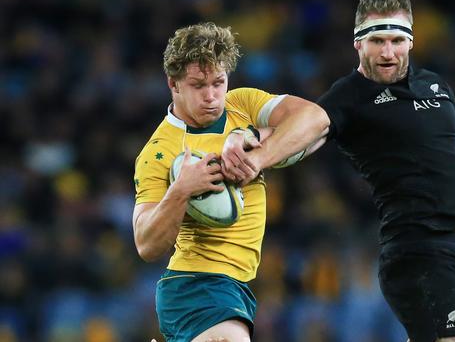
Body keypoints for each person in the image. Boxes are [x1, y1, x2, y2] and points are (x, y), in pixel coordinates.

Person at [223, 0, 455, 342]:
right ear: (358, 43)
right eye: (377, 40)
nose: (388, 51)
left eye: (397, 41)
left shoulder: (435, 86)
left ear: (411, 42)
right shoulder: (348, 98)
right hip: (418, 251)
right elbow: (308, 127)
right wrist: (256, 153)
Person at [131, 22, 329, 342]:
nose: (211, 96)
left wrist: (255, 152)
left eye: (218, 82)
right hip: (195, 285)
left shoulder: (242, 106)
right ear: (173, 83)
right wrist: (181, 189)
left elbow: (317, 121)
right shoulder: (159, 152)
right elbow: (146, 244)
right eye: (198, 85)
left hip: (234, 284)